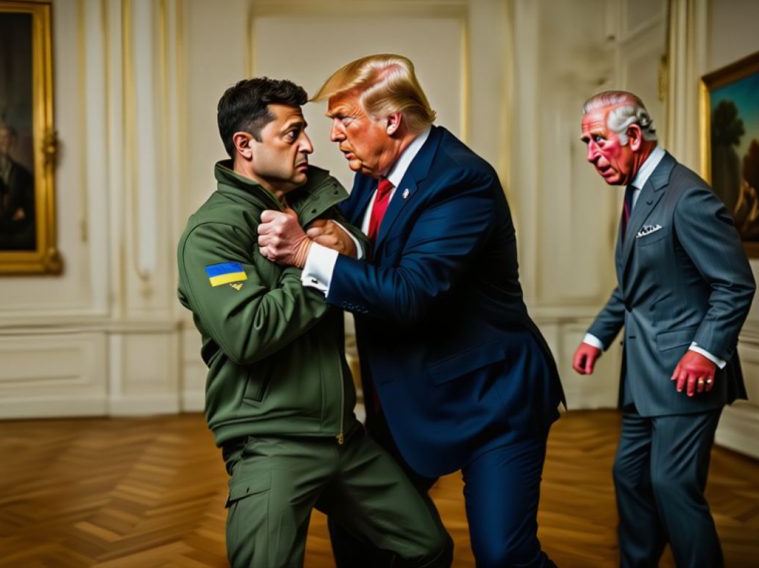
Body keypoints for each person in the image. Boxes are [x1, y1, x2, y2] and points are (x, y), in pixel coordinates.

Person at [257, 54, 565, 567]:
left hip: (491, 399)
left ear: (391, 121)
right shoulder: (373, 169)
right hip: (407, 396)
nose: (333, 135)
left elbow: (410, 293)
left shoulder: (460, 179)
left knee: (504, 555)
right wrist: (347, 242)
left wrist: (307, 254)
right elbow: (371, 240)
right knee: (359, 529)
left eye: (344, 119)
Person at [176, 77, 451, 568]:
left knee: (428, 548)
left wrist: (347, 246)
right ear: (245, 145)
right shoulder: (212, 232)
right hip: (272, 440)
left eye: (304, 131)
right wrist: (311, 263)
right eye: (292, 133)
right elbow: (246, 332)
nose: (308, 144)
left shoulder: (314, 204)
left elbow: (370, 262)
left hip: (344, 436)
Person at [571, 90, 755, 568]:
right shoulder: (637, 193)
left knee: (673, 486)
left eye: (598, 140)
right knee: (630, 477)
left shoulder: (686, 195)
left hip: (685, 376)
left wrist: (705, 352)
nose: (591, 154)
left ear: (633, 136)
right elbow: (637, 285)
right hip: (642, 376)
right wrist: (597, 336)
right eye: (587, 143)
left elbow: (735, 284)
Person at [0, 122, 35, 251]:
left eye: (6, 137)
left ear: (12, 140)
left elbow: (32, 201)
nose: (3, 141)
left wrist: (25, 211)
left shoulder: (22, 173)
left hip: (16, 226)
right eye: (0, 137)